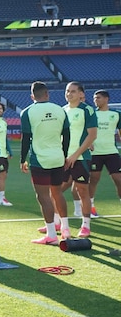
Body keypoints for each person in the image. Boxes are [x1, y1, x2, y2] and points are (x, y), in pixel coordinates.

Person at [20, 81, 70, 245]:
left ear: (32, 96)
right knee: (57, 193)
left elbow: (26, 139)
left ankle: (51, 235)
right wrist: (63, 155)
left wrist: (22, 160)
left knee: (43, 196)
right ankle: (66, 229)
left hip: (40, 159)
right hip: (57, 157)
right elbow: (67, 136)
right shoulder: (60, 110)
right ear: (47, 94)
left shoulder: (27, 112)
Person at [60, 81, 97, 238]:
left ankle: (85, 225)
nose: (69, 94)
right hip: (62, 158)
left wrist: (75, 155)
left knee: (83, 191)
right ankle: (57, 222)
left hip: (80, 158)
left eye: (73, 91)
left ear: (81, 94)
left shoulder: (87, 110)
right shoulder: (62, 111)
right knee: (56, 190)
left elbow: (92, 135)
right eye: (68, 91)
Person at [89, 90, 121, 214]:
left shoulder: (116, 114)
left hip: (111, 152)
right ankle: (90, 206)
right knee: (94, 179)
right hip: (95, 153)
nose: (96, 100)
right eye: (94, 98)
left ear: (106, 99)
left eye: (98, 98)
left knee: (118, 179)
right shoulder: (91, 114)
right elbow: (86, 131)